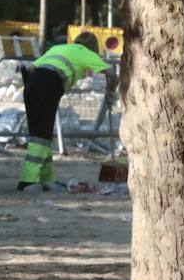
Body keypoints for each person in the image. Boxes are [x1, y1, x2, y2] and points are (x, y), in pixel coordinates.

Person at [16, 31, 112, 190]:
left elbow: (32, 68)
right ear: (93, 46)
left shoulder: (59, 48)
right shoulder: (85, 52)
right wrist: (112, 90)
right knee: (40, 135)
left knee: (42, 132)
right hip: (49, 85)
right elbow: (111, 73)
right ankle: (28, 180)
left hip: (32, 84)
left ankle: (46, 177)